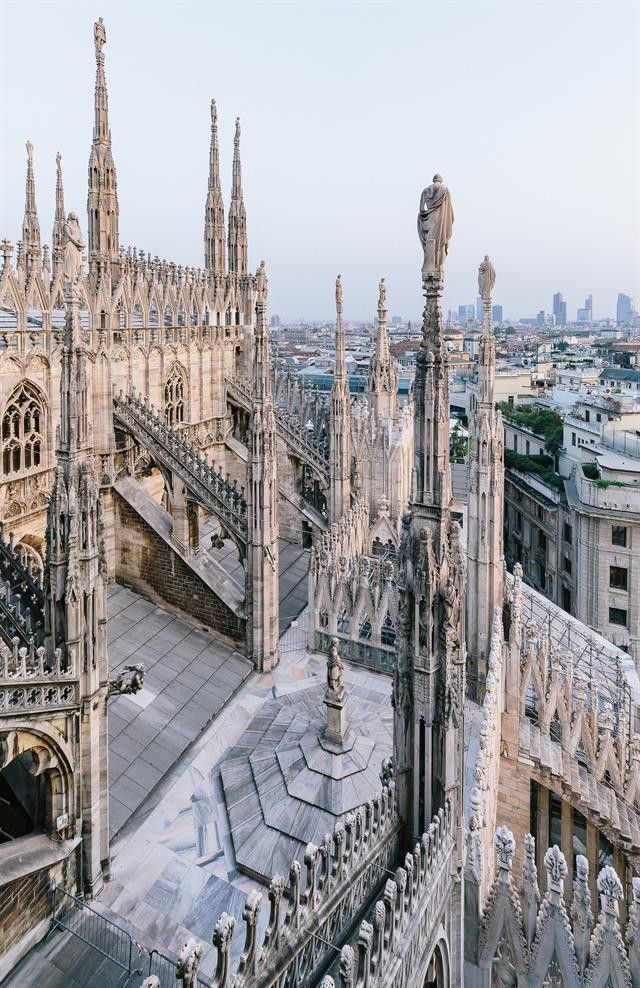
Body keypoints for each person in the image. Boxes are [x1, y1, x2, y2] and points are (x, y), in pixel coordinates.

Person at [417, 175, 454, 276]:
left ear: (433, 180)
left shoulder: (426, 190)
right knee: (440, 244)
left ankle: (430, 265)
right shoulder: (445, 190)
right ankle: (438, 265)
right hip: (440, 221)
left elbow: (421, 208)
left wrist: (428, 212)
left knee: (430, 243)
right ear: (441, 180)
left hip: (429, 220)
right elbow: (449, 212)